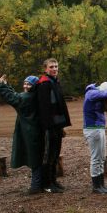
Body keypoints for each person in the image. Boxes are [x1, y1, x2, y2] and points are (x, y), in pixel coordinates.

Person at [0, 74, 44, 194]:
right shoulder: (35, 96)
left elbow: (12, 98)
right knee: (37, 158)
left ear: (34, 86)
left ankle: (35, 186)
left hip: (30, 131)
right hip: (35, 130)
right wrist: (7, 85)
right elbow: (16, 95)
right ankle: (38, 184)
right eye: (25, 83)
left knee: (35, 159)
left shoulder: (27, 97)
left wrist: (3, 86)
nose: (26, 86)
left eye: (29, 84)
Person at [37, 58, 71, 193]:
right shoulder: (44, 84)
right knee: (49, 155)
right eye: (51, 67)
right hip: (48, 127)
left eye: (56, 66)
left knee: (55, 154)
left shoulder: (55, 82)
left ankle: (53, 180)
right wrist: (48, 128)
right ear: (45, 69)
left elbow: (59, 107)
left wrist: (61, 126)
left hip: (57, 126)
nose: (55, 69)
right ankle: (47, 184)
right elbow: (44, 109)